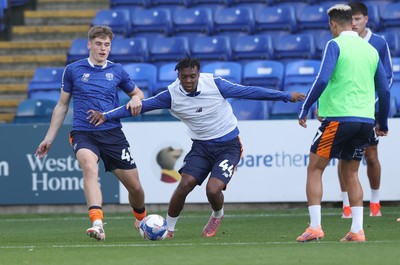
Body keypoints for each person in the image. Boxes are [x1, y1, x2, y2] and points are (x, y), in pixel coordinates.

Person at [86, 57, 306, 238]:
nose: (188, 80)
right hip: (201, 146)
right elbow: (140, 107)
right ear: (178, 76)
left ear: (198, 75)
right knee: (185, 185)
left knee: (212, 189)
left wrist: (286, 96)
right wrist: (105, 116)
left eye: (192, 76)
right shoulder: (171, 95)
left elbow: (250, 91)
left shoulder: (216, 84)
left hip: (229, 145)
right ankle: (169, 229)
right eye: (184, 77)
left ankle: (217, 214)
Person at [35, 25, 147, 241]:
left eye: (107, 45)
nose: (103, 49)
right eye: (98, 44)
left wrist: (135, 98)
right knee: (88, 166)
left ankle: (141, 218)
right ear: (89, 45)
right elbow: (61, 106)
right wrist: (48, 138)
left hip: (112, 133)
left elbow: (138, 93)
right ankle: (98, 223)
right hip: (84, 132)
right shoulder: (73, 70)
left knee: (136, 188)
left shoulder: (117, 71)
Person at [296, 4, 390, 242]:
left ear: (333, 24)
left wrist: (306, 105)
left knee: (315, 168)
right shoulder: (369, 50)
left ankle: (315, 227)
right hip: (365, 121)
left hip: (339, 118)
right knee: (352, 173)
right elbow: (385, 91)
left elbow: (322, 78)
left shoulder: (334, 44)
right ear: (352, 22)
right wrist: (382, 122)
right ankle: (357, 230)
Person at [337, 1, 393, 219]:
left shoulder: (378, 43)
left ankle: (375, 202)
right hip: (344, 109)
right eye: (350, 19)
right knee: (343, 157)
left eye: (357, 19)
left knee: (371, 156)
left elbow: (387, 78)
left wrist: (375, 103)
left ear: (366, 19)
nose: (354, 23)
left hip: (369, 110)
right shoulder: (339, 42)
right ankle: (346, 205)